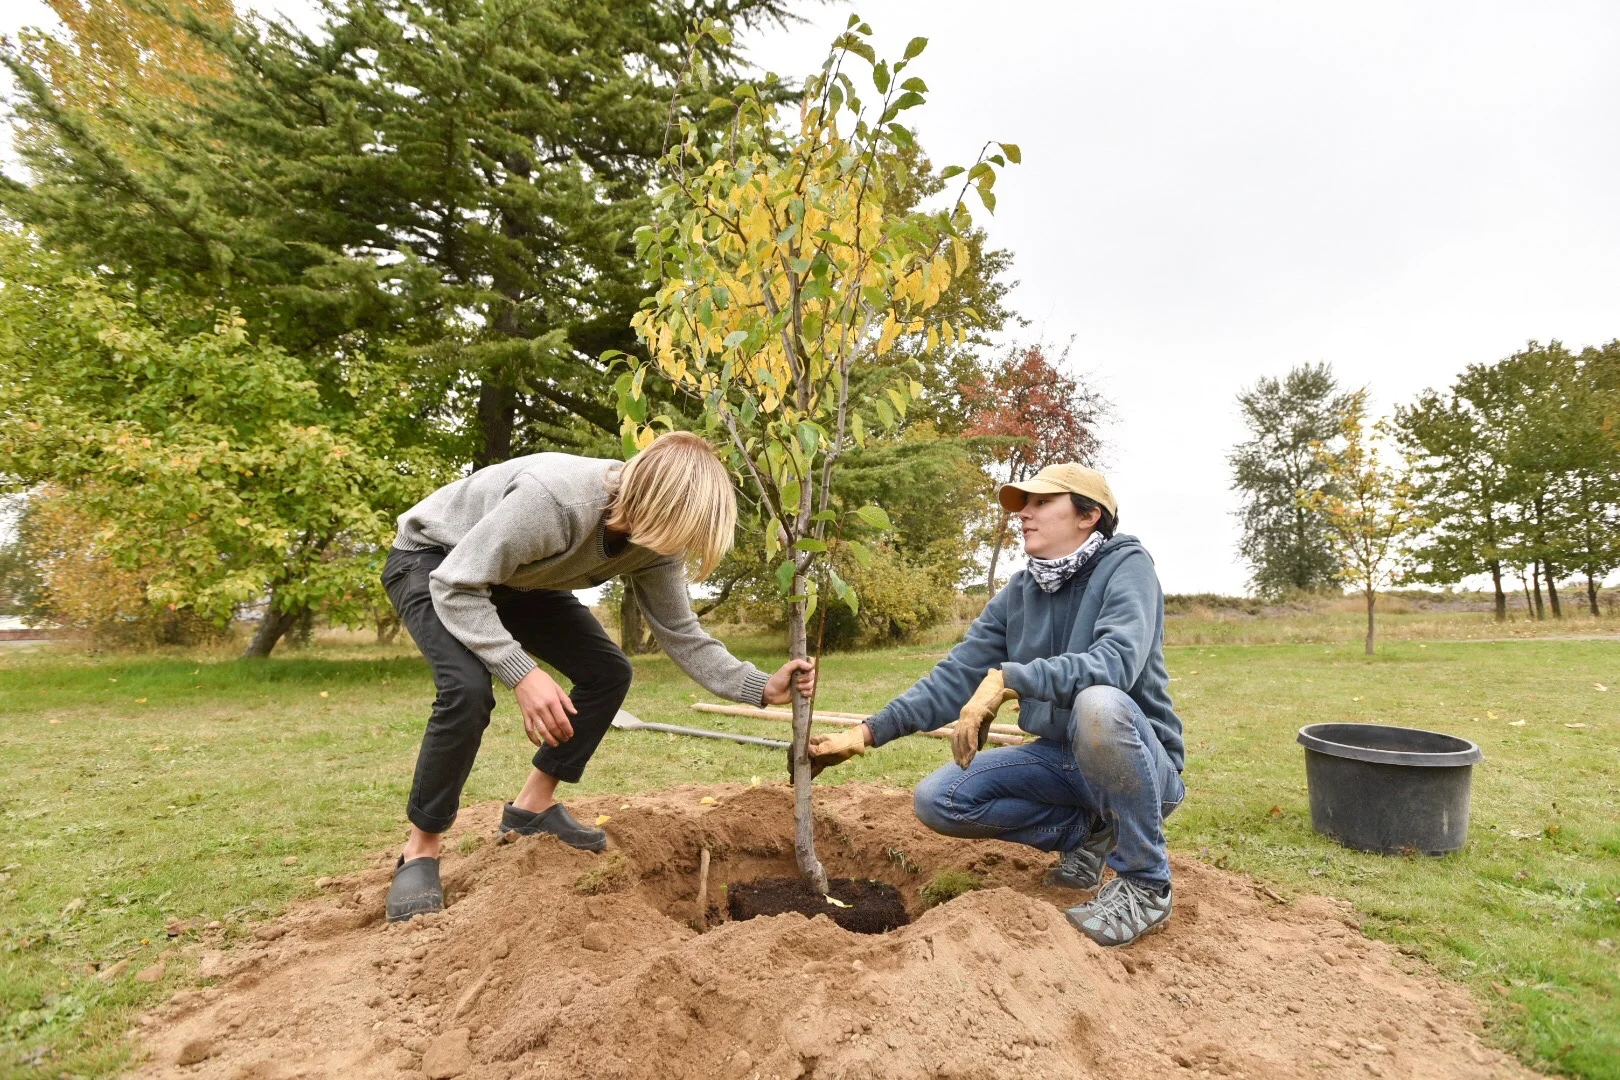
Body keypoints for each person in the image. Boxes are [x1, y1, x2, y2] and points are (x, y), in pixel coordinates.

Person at [381, 432, 815, 922]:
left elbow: (680, 632)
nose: (677, 549)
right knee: (466, 689)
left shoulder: (656, 542)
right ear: (651, 502)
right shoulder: (554, 501)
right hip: (437, 560)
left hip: (522, 579)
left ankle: (531, 810)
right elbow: (456, 585)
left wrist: (758, 686)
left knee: (607, 671)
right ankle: (420, 851)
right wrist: (524, 674)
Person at [806, 464, 1184, 947]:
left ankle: (1146, 883)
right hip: (1065, 761)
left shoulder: (1127, 567)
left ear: (1089, 515)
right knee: (940, 799)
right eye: (1023, 505)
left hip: (1143, 768)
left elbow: (1116, 664)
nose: (1023, 514)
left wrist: (1010, 678)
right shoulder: (1021, 591)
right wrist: (865, 733)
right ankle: (1088, 833)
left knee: (1100, 704)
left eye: (1041, 503)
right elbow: (954, 677)